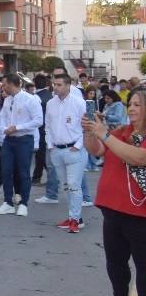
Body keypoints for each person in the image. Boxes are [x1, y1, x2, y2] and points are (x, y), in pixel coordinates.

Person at [84, 88, 146, 296]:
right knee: (115, 260)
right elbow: (97, 150)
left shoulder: (119, 135)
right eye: (130, 104)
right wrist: (90, 131)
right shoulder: (122, 132)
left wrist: (105, 135)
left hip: (140, 213)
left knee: (143, 264)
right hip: (112, 208)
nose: (131, 109)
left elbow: (139, 158)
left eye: (138, 105)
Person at [0, 74, 43, 217]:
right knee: (6, 171)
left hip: (24, 139)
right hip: (9, 140)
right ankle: (8, 202)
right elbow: (2, 118)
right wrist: (4, 131)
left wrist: (18, 127)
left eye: (4, 84)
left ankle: (23, 203)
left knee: (23, 172)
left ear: (11, 84)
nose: (2, 87)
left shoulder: (30, 99)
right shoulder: (7, 100)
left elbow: (38, 120)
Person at [45, 72, 89, 233]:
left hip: (74, 150)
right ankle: (73, 217)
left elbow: (88, 126)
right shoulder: (51, 103)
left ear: (68, 85)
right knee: (65, 186)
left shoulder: (79, 103)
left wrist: (78, 145)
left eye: (59, 85)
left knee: (74, 185)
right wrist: (50, 144)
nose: (55, 87)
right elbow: (48, 125)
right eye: (54, 84)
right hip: (57, 149)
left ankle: (75, 220)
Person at [32, 74, 51, 184]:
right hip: (47, 128)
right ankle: (37, 176)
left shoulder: (35, 97)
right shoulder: (50, 96)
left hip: (39, 129)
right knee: (42, 154)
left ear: (35, 83)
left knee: (40, 155)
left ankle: (38, 176)